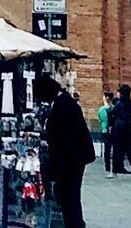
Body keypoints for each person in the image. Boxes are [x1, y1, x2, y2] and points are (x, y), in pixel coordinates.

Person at [38, 76, 92, 228]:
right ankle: (75, 222)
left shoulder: (63, 104)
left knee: (69, 194)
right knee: (70, 194)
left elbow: (62, 134)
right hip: (74, 157)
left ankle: (74, 224)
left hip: (72, 158)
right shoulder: (65, 102)